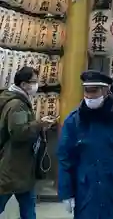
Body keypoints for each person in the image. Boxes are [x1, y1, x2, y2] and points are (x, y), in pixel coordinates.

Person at [58, 70, 113, 219]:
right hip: (86, 192)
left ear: (106, 91)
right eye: (87, 91)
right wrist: (66, 192)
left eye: (94, 91)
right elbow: (65, 158)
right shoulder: (73, 121)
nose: (90, 96)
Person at [0, 66, 55, 219]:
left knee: (28, 208)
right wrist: (39, 125)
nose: (36, 85)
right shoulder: (17, 104)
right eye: (34, 82)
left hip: (22, 167)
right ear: (23, 84)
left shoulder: (16, 100)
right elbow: (18, 132)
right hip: (14, 166)